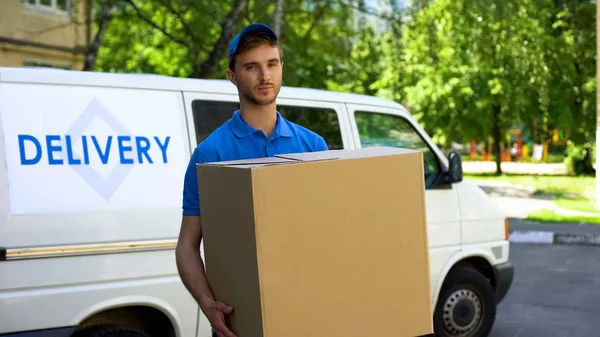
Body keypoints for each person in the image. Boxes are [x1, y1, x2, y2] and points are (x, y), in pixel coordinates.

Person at [175, 23, 328, 337]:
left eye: (272, 64)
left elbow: (329, 233)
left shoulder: (313, 146)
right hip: (240, 323)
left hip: (308, 316)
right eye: (252, 67)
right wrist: (207, 304)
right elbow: (187, 246)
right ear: (233, 76)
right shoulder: (210, 154)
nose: (265, 76)